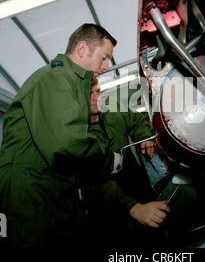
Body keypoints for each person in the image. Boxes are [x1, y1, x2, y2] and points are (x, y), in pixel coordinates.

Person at [0, 23, 128, 248]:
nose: (107, 66)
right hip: (29, 193)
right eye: (104, 57)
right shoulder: (57, 78)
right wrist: (108, 160)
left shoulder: (71, 83)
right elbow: (66, 143)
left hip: (48, 189)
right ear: (82, 49)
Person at [83, 78, 170, 248]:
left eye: (98, 92)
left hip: (134, 178)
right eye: (89, 94)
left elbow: (136, 122)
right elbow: (92, 184)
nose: (96, 98)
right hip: (106, 193)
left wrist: (144, 137)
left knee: (156, 228)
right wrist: (133, 208)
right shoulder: (74, 132)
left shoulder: (111, 105)